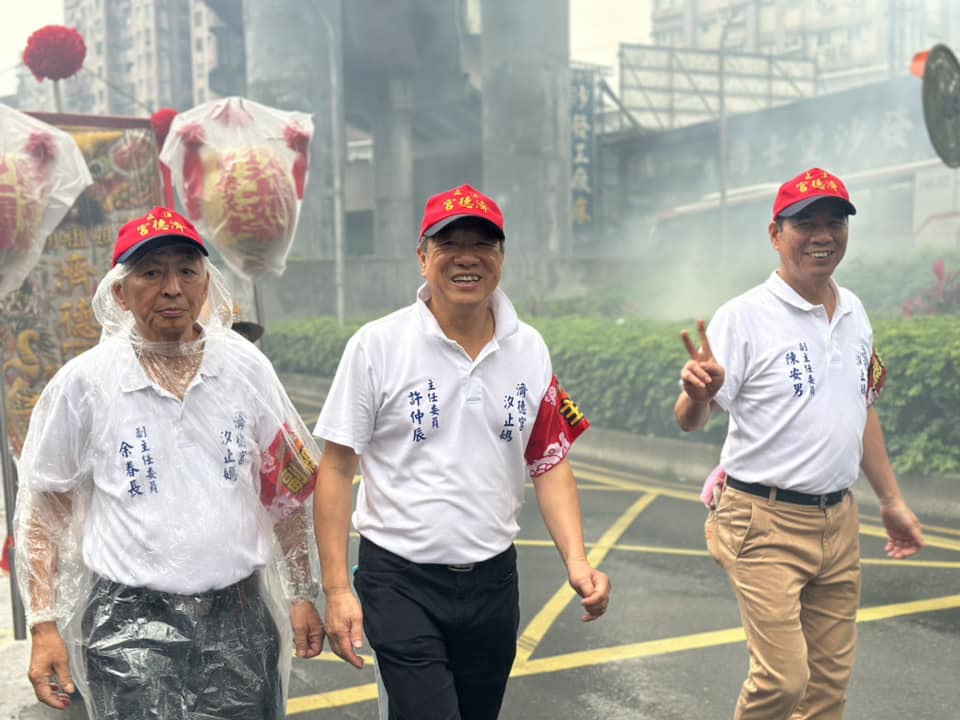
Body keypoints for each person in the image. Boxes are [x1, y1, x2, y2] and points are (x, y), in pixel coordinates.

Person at [313, 183, 611, 720]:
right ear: (423, 256)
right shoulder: (377, 346)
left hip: (494, 580)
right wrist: (336, 588)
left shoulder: (529, 347)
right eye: (450, 244)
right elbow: (336, 468)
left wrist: (578, 561)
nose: (467, 257)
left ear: (501, 257)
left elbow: (548, 461)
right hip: (399, 579)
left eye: (484, 243)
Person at [14, 207, 325, 719]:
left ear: (207, 284)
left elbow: (285, 490)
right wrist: (44, 622)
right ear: (120, 292)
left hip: (239, 616)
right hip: (128, 621)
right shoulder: (86, 383)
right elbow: (46, 509)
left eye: (186, 270)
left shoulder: (245, 368)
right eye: (151, 272)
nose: (172, 288)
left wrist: (300, 591)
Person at [674, 168, 925, 719]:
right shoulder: (743, 317)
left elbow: (862, 411)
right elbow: (691, 420)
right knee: (784, 681)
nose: (822, 235)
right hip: (762, 521)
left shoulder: (855, 312)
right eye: (804, 223)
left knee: (827, 691)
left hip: (839, 521)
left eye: (834, 222)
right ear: (775, 234)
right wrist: (698, 393)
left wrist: (891, 500)